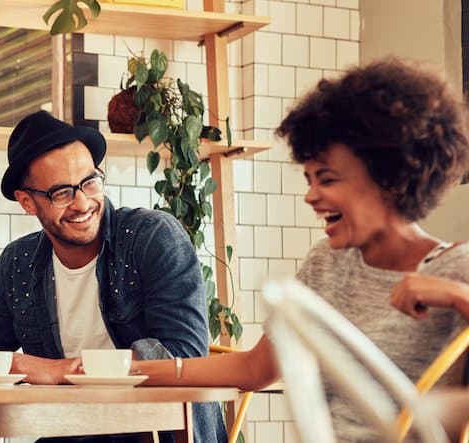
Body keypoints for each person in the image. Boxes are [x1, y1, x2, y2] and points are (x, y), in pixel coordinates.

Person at [131, 59, 469, 442]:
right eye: (309, 179)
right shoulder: (327, 263)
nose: (310, 195)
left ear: (389, 177)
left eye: (327, 179)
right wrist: (128, 370)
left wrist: (459, 296)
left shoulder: (457, 269)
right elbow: (254, 370)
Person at [0, 110, 226, 442]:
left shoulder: (152, 238)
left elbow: (185, 356)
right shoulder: (17, 263)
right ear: (27, 202)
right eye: (61, 192)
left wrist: (56, 370)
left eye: (90, 182)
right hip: (68, 434)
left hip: (158, 433)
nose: (83, 203)